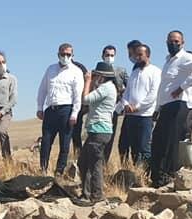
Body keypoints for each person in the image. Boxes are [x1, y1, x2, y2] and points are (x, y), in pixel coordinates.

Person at [149, 30, 192, 187]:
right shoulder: (168, 61)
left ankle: (168, 176)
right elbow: (164, 87)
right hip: (165, 105)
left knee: (171, 142)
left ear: (182, 43)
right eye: (170, 41)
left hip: (178, 105)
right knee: (158, 141)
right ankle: (157, 176)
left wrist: (182, 87)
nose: (173, 44)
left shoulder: (186, 58)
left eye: (176, 41)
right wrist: (157, 107)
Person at [37, 43, 84, 176]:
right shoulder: (50, 69)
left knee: (64, 143)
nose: (65, 56)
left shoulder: (76, 72)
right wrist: (40, 107)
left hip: (66, 110)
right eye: (63, 54)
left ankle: (59, 171)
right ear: (58, 54)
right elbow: (42, 89)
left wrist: (75, 113)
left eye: (68, 54)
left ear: (72, 55)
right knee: (46, 141)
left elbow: (77, 95)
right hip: (51, 109)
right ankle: (43, 169)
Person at [78, 62, 118, 202]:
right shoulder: (107, 88)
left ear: (102, 76)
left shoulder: (106, 88)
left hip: (99, 129)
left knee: (93, 164)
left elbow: (85, 99)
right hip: (98, 129)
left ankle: (96, 195)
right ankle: (88, 193)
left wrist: (88, 81)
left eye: (96, 75)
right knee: (85, 162)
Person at [116, 43, 160, 166]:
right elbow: (127, 92)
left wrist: (137, 107)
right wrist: (125, 104)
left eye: (140, 55)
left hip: (145, 115)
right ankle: (135, 173)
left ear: (148, 55)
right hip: (131, 115)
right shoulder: (134, 72)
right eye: (136, 55)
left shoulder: (155, 71)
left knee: (144, 147)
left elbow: (153, 94)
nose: (137, 57)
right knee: (133, 147)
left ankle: (147, 174)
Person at [101, 45, 130, 162]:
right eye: (107, 55)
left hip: (114, 109)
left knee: (109, 137)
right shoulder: (97, 71)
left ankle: (104, 164)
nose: (109, 57)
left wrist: (123, 103)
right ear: (102, 56)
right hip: (99, 109)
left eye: (112, 55)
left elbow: (130, 88)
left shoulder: (120, 71)